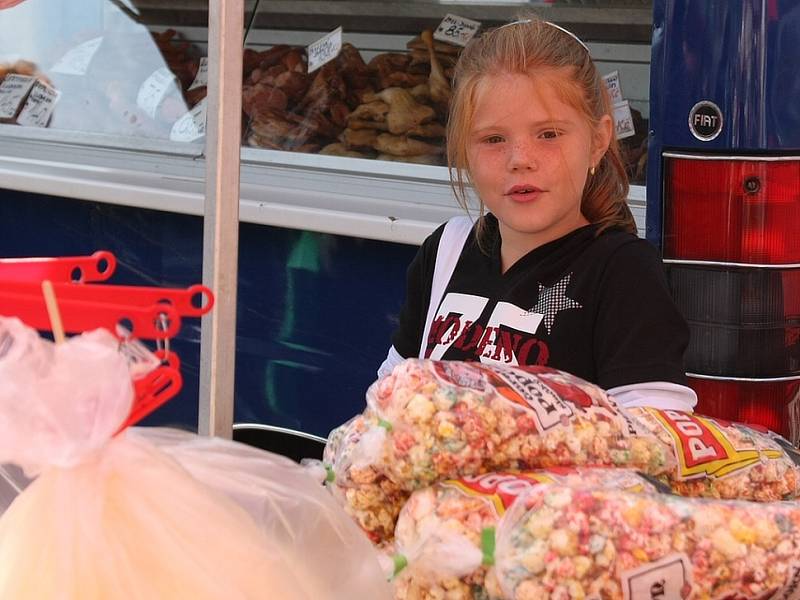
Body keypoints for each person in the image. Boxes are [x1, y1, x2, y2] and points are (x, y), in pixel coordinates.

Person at [379, 17, 696, 412]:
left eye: (548, 134)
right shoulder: (446, 250)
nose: (520, 160)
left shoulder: (621, 271)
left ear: (597, 141)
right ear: (463, 151)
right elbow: (388, 401)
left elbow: (654, 440)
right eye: (493, 139)